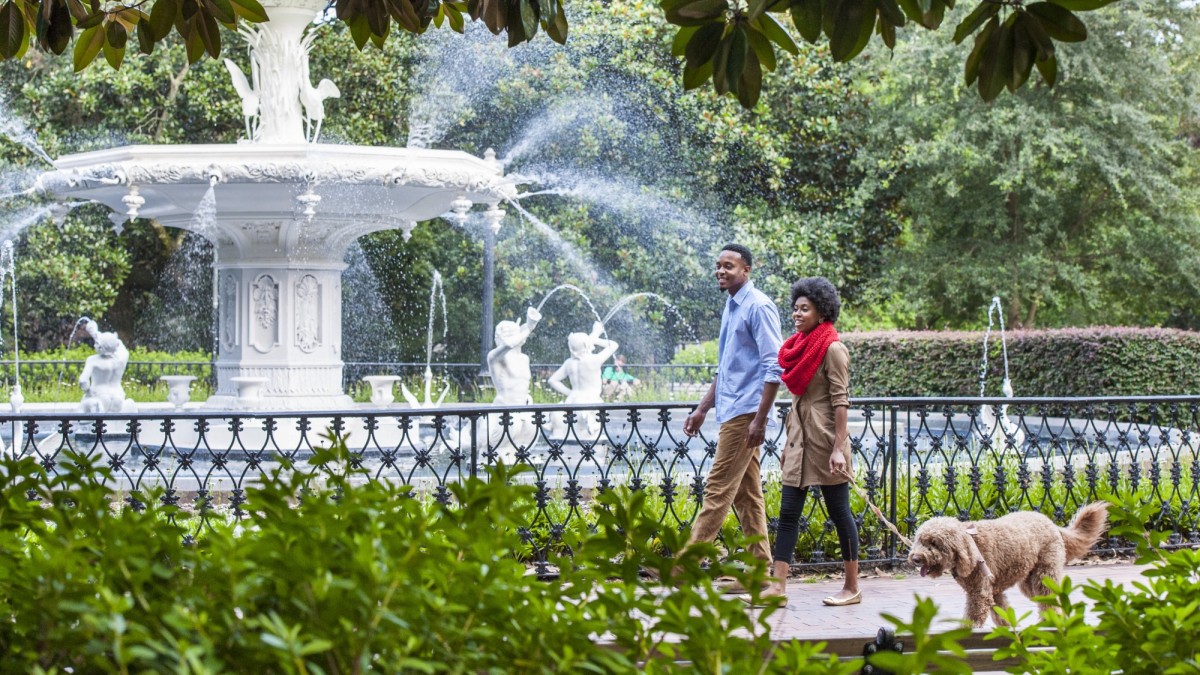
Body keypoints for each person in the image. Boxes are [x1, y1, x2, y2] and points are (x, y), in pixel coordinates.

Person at [681, 243, 783, 593]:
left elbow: (775, 367)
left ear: (746, 270)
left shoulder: (758, 307)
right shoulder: (732, 306)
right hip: (733, 410)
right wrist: (702, 408)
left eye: (729, 266)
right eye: (718, 266)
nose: (721, 271)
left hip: (746, 414)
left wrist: (761, 418)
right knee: (746, 496)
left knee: (718, 488)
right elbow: (727, 369)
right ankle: (759, 571)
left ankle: (684, 566)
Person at [771, 276, 860, 606]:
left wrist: (839, 448)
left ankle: (852, 587)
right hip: (798, 444)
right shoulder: (799, 348)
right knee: (788, 514)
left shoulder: (833, 349)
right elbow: (797, 404)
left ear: (822, 313)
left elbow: (841, 402)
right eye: (795, 308)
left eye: (804, 309)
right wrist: (786, 443)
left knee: (840, 513)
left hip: (826, 446)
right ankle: (777, 587)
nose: (796, 314)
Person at [548, 321, 619, 438]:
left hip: (572, 401)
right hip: (591, 402)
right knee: (591, 439)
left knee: (571, 435)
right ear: (587, 345)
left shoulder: (569, 363)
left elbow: (552, 380)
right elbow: (614, 345)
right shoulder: (594, 360)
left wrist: (570, 393)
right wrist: (595, 337)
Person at [78, 319, 136, 413]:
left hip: (99, 396)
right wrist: (94, 332)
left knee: (82, 409)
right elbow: (117, 343)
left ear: (100, 347)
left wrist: (88, 391)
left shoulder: (93, 360)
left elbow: (83, 381)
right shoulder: (122, 358)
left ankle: (93, 406)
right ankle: (128, 406)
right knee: (114, 423)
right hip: (118, 397)